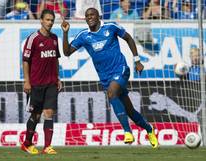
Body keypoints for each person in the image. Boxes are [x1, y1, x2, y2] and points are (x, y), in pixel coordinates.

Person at [61, 8, 158, 148]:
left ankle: (127, 132)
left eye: (92, 15)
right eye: (87, 16)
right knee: (129, 111)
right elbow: (66, 52)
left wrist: (137, 60)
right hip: (105, 77)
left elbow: (129, 38)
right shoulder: (84, 36)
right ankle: (149, 129)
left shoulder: (111, 27)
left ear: (98, 16)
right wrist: (65, 33)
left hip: (121, 69)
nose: (89, 17)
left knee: (111, 93)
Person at [21, 9, 62, 155]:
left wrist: (57, 77)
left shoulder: (55, 38)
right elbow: (25, 61)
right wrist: (27, 81)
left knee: (49, 112)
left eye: (52, 20)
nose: (50, 22)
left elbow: (56, 59)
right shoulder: (33, 39)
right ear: (41, 20)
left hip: (51, 83)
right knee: (36, 115)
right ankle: (27, 143)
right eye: (48, 20)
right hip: (36, 84)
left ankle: (47, 146)